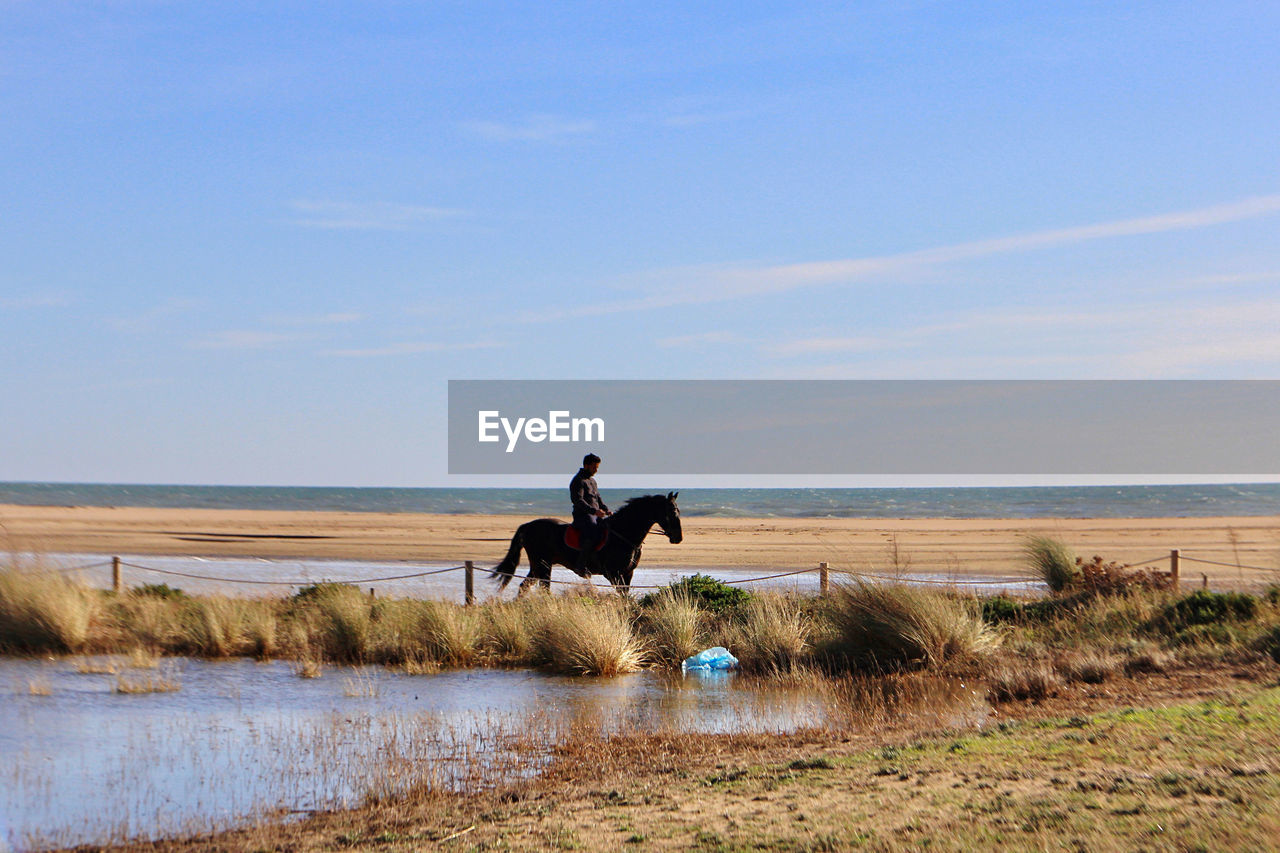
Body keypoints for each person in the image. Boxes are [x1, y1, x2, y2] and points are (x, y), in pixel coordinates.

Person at [569, 453, 609, 572]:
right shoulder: (578, 480)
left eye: (597, 467)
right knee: (593, 530)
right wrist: (594, 511)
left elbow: (598, 499)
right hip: (583, 516)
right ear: (586, 465)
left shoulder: (592, 481)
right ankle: (581, 565)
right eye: (594, 467)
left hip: (595, 514)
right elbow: (577, 500)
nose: (596, 470)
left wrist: (606, 510)